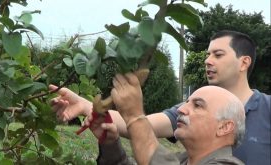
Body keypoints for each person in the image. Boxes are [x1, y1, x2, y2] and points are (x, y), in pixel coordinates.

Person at [50, 30, 271, 164]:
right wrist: (88, 107)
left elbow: (138, 124)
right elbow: (138, 127)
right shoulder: (187, 118)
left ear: (244, 62)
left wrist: (135, 115)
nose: (207, 60)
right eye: (207, 54)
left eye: (218, 54)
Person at [85, 77, 245, 165]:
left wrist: (134, 116)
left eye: (197, 105)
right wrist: (110, 143)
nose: (181, 110)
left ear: (224, 127)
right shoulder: (180, 160)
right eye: (185, 102)